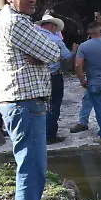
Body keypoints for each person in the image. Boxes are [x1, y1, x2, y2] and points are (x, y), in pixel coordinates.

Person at [0, 0, 63, 200]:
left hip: (20, 102)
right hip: (23, 102)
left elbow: (54, 53)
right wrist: (44, 52)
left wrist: (44, 52)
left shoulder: (12, 20)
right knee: (31, 165)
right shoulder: (16, 23)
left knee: (30, 163)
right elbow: (56, 52)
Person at [38, 14, 72, 144]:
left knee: (40, 105)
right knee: (54, 105)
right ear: (52, 25)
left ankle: (41, 133)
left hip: (38, 76)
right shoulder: (55, 39)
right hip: (53, 76)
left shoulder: (35, 36)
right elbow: (67, 56)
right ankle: (50, 135)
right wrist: (75, 51)